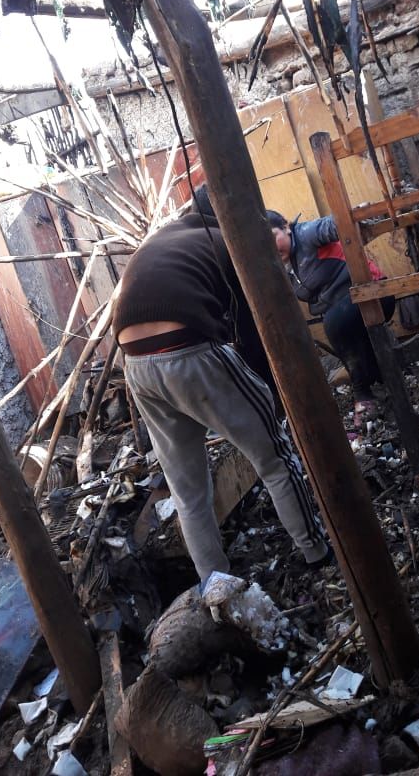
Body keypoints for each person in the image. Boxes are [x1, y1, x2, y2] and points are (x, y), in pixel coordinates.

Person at [112, 184, 329, 583]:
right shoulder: (230, 241)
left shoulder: (168, 236)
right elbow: (252, 333)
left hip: (136, 366)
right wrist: (273, 403)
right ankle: (317, 552)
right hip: (189, 350)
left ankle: (216, 588)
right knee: (275, 457)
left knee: (188, 491)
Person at [267, 211, 395, 429]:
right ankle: (386, 393)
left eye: (273, 237)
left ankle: (363, 394)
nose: (271, 248)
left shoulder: (305, 234)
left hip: (372, 292)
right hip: (344, 312)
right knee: (348, 336)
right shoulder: (281, 267)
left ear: (286, 227)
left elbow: (335, 224)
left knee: (334, 324)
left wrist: (359, 215)